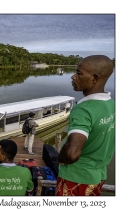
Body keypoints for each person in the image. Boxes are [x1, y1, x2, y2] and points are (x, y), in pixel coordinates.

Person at [55, 55, 115, 196]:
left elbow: (71, 153)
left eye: (79, 73)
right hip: (97, 176)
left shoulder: (83, 110)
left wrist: (59, 158)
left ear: (94, 78)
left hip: (76, 178)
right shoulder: (111, 104)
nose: (73, 77)